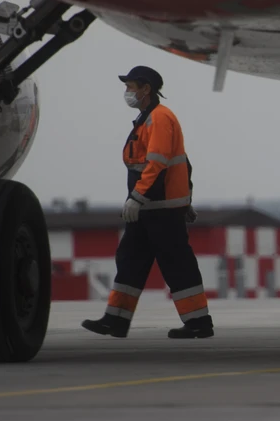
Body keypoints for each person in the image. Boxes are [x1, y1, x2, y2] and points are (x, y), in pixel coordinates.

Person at [81, 65, 214, 339]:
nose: (127, 92)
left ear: (146, 89)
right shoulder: (147, 118)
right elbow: (183, 164)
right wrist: (182, 201)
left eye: (131, 86)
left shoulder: (159, 118)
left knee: (176, 263)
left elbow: (159, 162)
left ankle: (198, 322)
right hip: (150, 209)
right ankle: (115, 320)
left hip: (158, 208)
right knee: (130, 259)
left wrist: (137, 197)